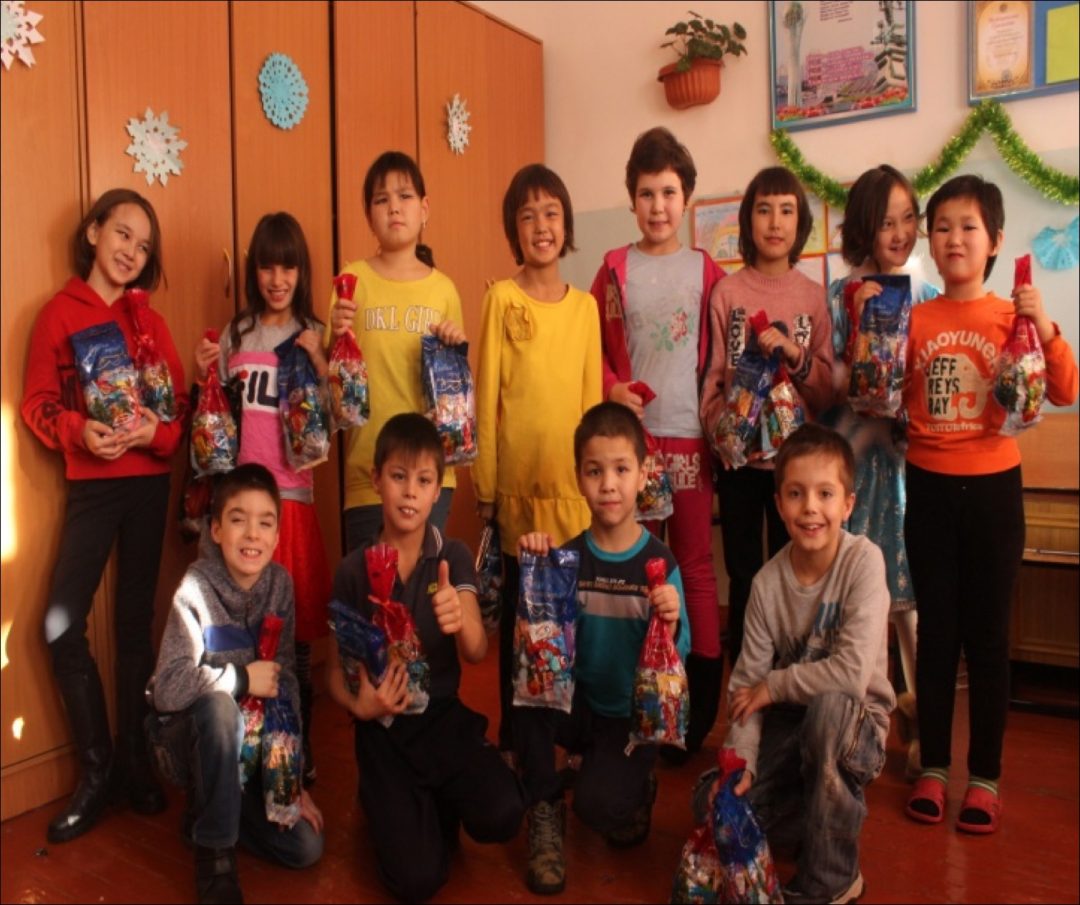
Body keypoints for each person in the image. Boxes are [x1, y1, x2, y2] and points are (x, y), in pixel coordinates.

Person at [902, 175, 1079, 834]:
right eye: (942, 226)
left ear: (995, 240)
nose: (954, 238)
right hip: (927, 488)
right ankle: (933, 767)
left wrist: (1045, 325)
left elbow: (1064, 390)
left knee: (988, 638)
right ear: (929, 239)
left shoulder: (1012, 315)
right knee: (936, 635)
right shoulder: (913, 318)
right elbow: (882, 392)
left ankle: (985, 777)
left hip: (995, 491)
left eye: (968, 226)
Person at [21, 188, 188, 843]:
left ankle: (136, 765)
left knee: (133, 628)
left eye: (143, 246)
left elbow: (178, 419)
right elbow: (36, 403)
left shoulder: (152, 323)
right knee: (60, 626)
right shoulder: (58, 314)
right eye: (122, 234)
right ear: (93, 232)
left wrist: (153, 432)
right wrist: (79, 432)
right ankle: (97, 771)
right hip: (91, 485)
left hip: (148, 485)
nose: (131, 252)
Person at [326, 413, 525, 903]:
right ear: (377, 479)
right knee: (418, 880)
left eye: (423, 480)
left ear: (438, 490)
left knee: (503, 811)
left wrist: (462, 618)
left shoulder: (450, 556)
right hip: (383, 726)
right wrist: (359, 706)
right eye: (399, 477)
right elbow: (334, 671)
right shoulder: (353, 570)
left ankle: (431, 799)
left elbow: (476, 651)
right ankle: (385, 799)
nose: (410, 493)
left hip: (441, 716)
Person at [705, 423, 893, 904]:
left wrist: (775, 685)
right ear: (779, 503)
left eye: (825, 494)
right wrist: (741, 764)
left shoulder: (865, 563)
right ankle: (818, 815)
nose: (810, 507)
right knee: (713, 800)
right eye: (796, 494)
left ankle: (833, 878)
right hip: (790, 727)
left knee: (829, 711)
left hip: (855, 727)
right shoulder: (766, 585)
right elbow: (746, 689)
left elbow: (850, 675)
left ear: (847, 504)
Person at [514, 402, 690, 895]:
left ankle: (636, 782)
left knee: (597, 809)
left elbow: (680, 659)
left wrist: (671, 618)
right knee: (526, 701)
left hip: (629, 719)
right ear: (579, 477)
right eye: (595, 471)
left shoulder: (661, 563)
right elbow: (541, 655)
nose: (608, 484)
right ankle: (544, 808)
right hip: (579, 705)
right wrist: (536, 571)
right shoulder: (567, 558)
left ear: (643, 474)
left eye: (621, 470)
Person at [590, 127, 725, 758]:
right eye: (646, 194)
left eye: (669, 192)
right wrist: (612, 388)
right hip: (633, 448)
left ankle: (696, 708)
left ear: (687, 196)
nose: (658, 206)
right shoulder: (614, 269)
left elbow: (722, 357)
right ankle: (638, 696)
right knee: (636, 564)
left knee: (692, 565)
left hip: (690, 438)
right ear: (631, 199)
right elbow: (591, 349)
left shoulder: (707, 270)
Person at [193, 211, 331, 789]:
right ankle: (246, 746)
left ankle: (300, 746)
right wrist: (204, 372)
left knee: (293, 636)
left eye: (288, 267)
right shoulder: (238, 332)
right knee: (239, 628)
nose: (278, 279)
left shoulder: (313, 331)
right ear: (253, 272)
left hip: (291, 499)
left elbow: (335, 413)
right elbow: (216, 416)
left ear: (302, 272)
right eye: (268, 267)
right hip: (240, 502)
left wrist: (320, 360)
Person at [147, 464, 324, 905]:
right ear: (217, 529)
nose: (252, 534)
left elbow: (286, 686)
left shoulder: (280, 584)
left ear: (277, 536)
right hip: (190, 741)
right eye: (238, 519)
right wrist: (241, 678)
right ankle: (215, 860)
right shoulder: (196, 586)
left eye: (265, 523)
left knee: (306, 848)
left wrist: (291, 782)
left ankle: (212, 812)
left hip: (253, 751)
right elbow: (167, 688)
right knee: (219, 706)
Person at [474, 163, 602, 756]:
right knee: (520, 624)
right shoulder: (500, 298)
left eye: (551, 213)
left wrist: (595, 486)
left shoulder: (585, 308)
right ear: (513, 232)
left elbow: (591, 404)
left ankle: (568, 738)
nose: (541, 226)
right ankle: (517, 741)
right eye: (527, 217)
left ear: (566, 224)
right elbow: (487, 399)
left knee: (568, 621)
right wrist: (486, 488)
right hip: (517, 494)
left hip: (572, 496)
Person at [820, 164, 939, 780]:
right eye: (886, 221)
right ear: (863, 227)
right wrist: (859, 345)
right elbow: (829, 384)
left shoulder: (926, 294)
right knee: (857, 601)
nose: (899, 232)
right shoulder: (840, 294)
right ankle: (862, 723)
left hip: (908, 469)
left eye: (908, 218)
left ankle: (925, 727)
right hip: (853, 468)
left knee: (910, 601)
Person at [699, 166, 833, 669]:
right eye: (764, 209)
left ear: (800, 225)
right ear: (747, 220)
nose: (775, 222)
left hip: (794, 469)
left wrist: (796, 356)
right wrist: (721, 431)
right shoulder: (727, 294)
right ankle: (745, 680)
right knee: (743, 572)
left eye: (787, 211)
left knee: (793, 570)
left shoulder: (812, 296)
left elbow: (827, 388)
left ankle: (787, 681)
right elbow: (713, 378)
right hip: (738, 465)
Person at [328, 151, 466, 551]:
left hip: (428, 473)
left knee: (424, 585)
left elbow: (456, 395)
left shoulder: (444, 290)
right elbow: (332, 383)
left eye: (404, 196)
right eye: (381, 199)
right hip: (368, 473)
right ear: (368, 215)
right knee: (367, 585)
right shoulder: (351, 280)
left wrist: (454, 348)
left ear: (424, 209)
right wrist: (334, 335)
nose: (394, 207)